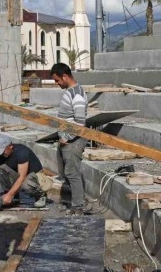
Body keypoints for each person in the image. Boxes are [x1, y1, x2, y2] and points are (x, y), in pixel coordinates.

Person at [50, 62, 88, 214]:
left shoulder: (77, 95)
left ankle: (78, 207)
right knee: (66, 172)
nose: (57, 84)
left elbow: (79, 124)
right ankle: (74, 201)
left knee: (72, 173)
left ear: (65, 76)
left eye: (57, 80)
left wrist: (67, 138)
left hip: (73, 141)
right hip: (66, 140)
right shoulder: (71, 92)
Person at [0, 135, 51, 210]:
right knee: (1, 167)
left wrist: (10, 195)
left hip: (34, 176)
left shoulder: (21, 152)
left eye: (3, 150)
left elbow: (22, 177)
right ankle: (12, 194)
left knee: (26, 184)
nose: (2, 153)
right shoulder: (0, 155)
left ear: (10, 146)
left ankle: (40, 195)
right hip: (19, 175)